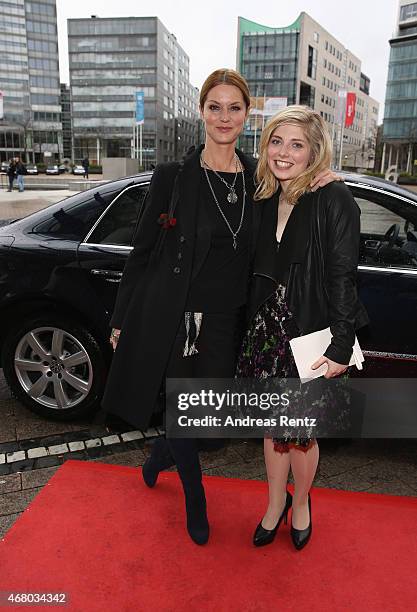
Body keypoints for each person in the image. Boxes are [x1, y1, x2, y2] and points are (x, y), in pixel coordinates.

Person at [102, 70, 340, 546]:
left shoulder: (261, 178)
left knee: (213, 429)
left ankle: (162, 453)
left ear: (247, 114)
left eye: (235, 108)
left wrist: (323, 183)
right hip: (184, 317)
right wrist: (121, 318)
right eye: (215, 106)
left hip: (236, 320)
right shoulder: (174, 178)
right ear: (202, 110)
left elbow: (295, 210)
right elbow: (142, 253)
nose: (225, 117)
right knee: (190, 410)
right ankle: (195, 496)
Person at [236, 106, 368, 551]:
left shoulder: (333, 199)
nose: (284, 152)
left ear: (314, 151)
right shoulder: (264, 195)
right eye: (276, 141)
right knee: (275, 428)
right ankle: (275, 503)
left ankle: (302, 503)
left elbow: (342, 277)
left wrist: (341, 347)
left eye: (297, 144)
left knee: (302, 432)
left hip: (309, 332)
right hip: (265, 332)